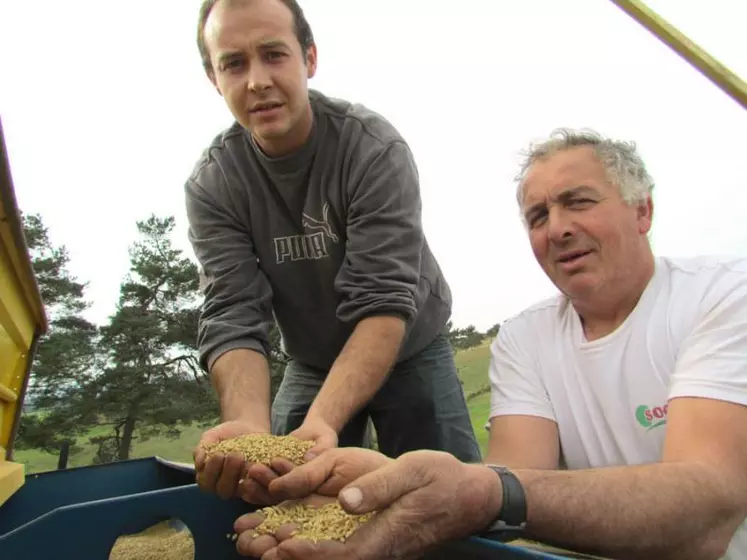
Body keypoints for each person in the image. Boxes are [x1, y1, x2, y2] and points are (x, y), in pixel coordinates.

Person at [231, 129, 747, 560]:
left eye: (579, 202)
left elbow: (708, 514)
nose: (559, 229)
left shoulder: (722, 297)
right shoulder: (525, 338)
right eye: (538, 216)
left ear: (643, 212)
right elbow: (513, 489)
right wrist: (389, 485)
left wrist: (484, 492)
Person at [184, 0, 481, 503]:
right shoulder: (213, 184)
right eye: (233, 63)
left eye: (274, 55)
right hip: (313, 358)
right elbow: (233, 312)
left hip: (411, 345)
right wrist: (249, 427)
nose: (256, 81)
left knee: (452, 502)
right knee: (283, 492)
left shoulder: (372, 149)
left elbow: (383, 300)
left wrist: (323, 420)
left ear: (310, 59)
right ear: (214, 77)